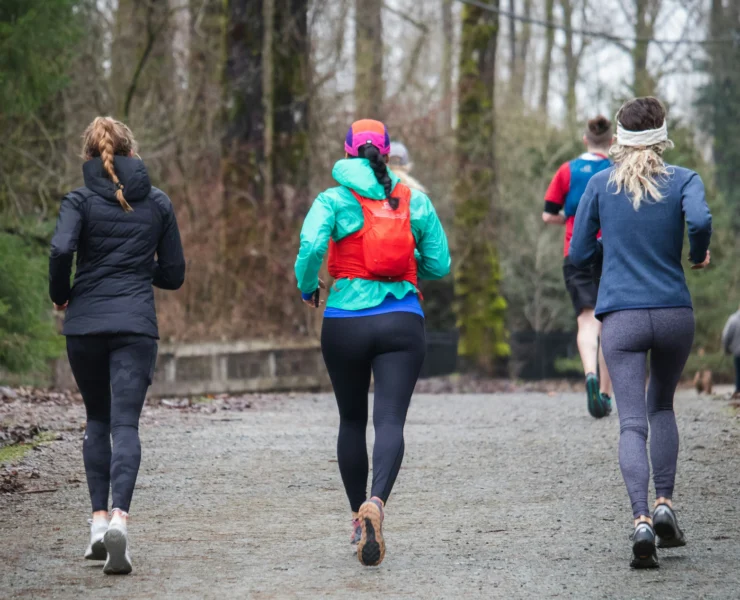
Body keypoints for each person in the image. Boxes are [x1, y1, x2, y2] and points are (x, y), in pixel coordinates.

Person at [295, 119, 450, 566]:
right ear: (385, 152)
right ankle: (377, 504)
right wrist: (408, 258)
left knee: (350, 421)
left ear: (346, 152)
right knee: (390, 422)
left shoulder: (334, 199)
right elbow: (440, 264)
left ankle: (355, 514)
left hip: (344, 321)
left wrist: (309, 286)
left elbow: (309, 246)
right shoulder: (412, 199)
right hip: (401, 320)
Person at [569, 97, 712, 569]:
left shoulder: (600, 184)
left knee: (632, 422)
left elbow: (578, 251)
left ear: (619, 137)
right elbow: (702, 220)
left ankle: (641, 520)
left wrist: (596, 267)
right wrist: (697, 253)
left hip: (622, 318)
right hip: (673, 312)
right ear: (662, 134)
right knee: (663, 405)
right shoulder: (684, 179)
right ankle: (666, 502)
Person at [49, 116, 185, 575]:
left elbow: (60, 250)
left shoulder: (79, 201)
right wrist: (134, 270)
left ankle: (96, 525)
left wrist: (60, 293)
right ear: (131, 152)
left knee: (96, 419)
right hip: (135, 327)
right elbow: (174, 274)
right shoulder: (159, 203)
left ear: (90, 155)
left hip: (85, 325)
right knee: (125, 423)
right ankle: (121, 522)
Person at [542, 116, 614, 419]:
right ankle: (606, 396)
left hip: (575, 251)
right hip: (611, 252)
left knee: (587, 322)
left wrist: (569, 221)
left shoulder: (566, 170)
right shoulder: (616, 170)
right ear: (611, 142)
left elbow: (548, 215)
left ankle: (589, 376)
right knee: (610, 323)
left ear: (585, 139)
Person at [722, 306, 740, 398]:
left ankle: (738, 391)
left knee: (738, 372)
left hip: (737, 352)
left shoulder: (733, 319)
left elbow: (726, 336)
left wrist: (726, 350)